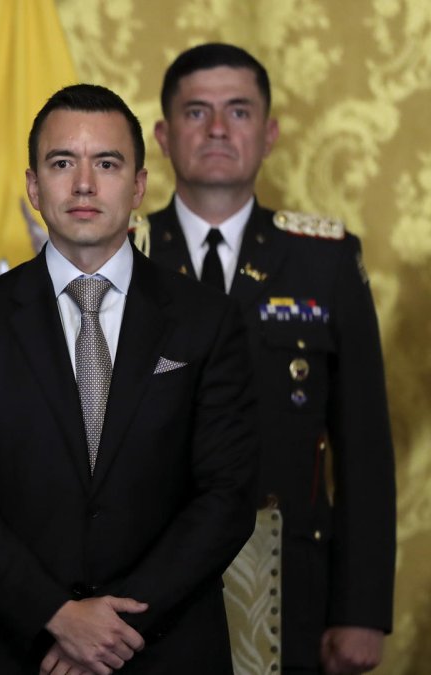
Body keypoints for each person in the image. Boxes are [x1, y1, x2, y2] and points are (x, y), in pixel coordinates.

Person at [0, 83, 259, 674]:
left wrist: (110, 630)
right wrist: (57, 615)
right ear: (32, 186)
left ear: (139, 185)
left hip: (165, 647)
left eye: (106, 163)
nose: (83, 184)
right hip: (17, 648)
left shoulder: (207, 320)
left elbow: (226, 497)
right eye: (61, 163)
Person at [142, 43, 396, 675]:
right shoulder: (121, 255)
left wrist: (361, 608)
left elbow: (362, 444)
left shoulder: (327, 260)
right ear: (163, 136)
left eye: (240, 111)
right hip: (142, 583)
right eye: (196, 112)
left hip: (292, 589)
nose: (220, 129)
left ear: (271, 133)